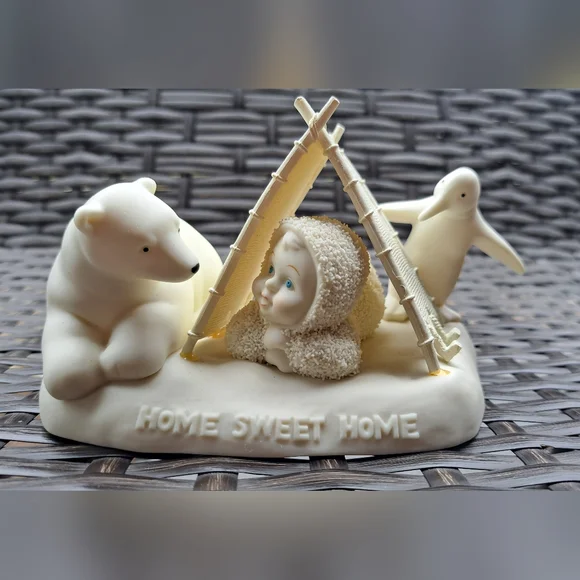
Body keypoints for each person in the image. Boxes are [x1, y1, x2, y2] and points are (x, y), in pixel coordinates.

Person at [226, 216, 384, 380]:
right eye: (271, 269)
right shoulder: (254, 317)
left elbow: (342, 360)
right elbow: (236, 336)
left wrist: (288, 353)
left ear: (323, 303)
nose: (269, 284)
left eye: (289, 283)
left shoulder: (333, 332)